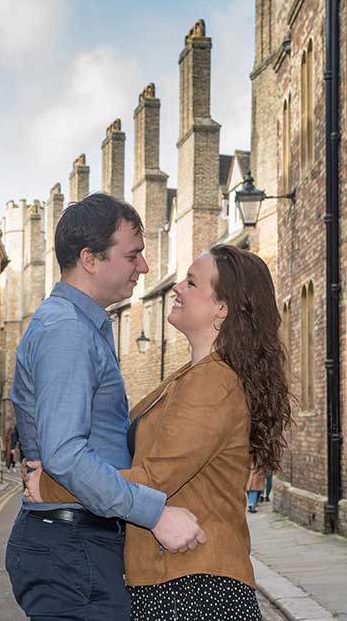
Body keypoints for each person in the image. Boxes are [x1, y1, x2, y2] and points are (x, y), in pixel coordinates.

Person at [27, 244, 290, 621]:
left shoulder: (213, 383)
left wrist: (50, 485)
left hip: (195, 589)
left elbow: (152, 480)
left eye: (192, 282)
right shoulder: (192, 377)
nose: (178, 287)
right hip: (178, 579)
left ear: (222, 307)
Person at [5, 193, 206, 621]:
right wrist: (155, 514)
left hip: (76, 543)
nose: (145, 269)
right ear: (91, 259)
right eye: (133, 256)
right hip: (72, 547)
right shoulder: (69, 334)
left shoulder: (80, 327)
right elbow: (65, 454)